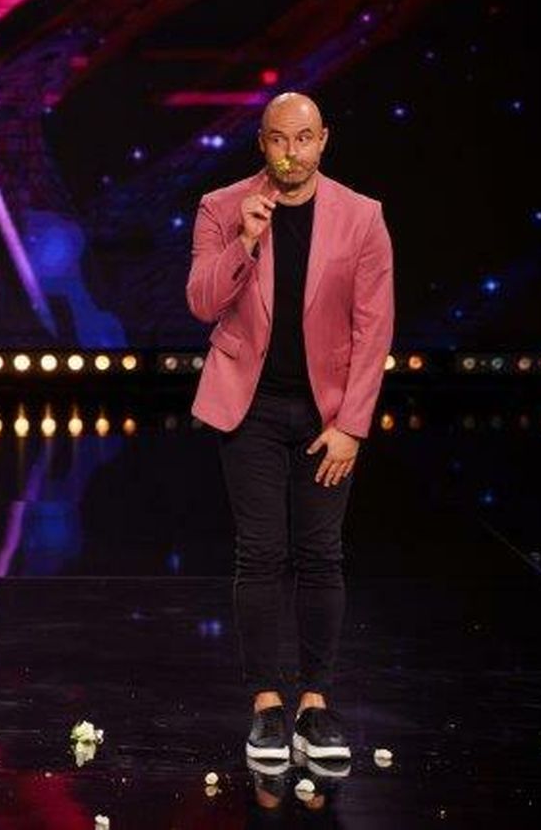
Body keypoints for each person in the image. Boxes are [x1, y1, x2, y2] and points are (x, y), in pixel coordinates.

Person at [186, 92, 394, 767]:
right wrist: (245, 239)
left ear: (323, 139)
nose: (291, 152)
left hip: (325, 415)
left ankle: (315, 703)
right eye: (279, 139)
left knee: (321, 553)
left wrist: (352, 426)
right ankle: (267, 705)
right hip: (248, 407)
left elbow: (374, 328)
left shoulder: (362, 216)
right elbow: (202, 302)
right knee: (260, 553)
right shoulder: (223, 206)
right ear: (262, 142)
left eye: (303, 138)